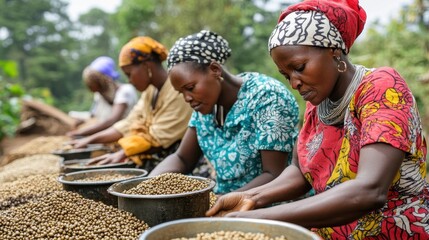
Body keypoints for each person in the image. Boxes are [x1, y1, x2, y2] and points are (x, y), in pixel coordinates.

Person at [206, 0, 429, 239]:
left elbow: (370, 190)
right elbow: (300, 172)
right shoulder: (317, 104)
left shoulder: (381, 88)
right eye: (286, 74)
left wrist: (255, 218)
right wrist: (252, 197)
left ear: (334, 52)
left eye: (299, 67)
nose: (294, 83)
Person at [149, 30, 300, 195]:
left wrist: (222, 201)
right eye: (181, 92)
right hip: (223, 203)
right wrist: (148, 185)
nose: (187, 98)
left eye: (190, 88)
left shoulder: (267, 97)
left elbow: (273, 175)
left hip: (270, 208)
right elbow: (182, 159)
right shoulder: (205, 107)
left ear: (215, 69)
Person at [71, 37, 193, 171]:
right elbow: (128, 123)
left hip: (178, 164)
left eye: (129, 74)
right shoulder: (150, 92)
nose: (129, 81)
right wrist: (89, 140)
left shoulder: (177, 91)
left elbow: (159, 137)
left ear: (147, 66)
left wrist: (122, 153)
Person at [67, 56, 138, 137]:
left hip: (126, 136)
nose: (98, 92)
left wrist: (80, 132)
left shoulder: (125, 91)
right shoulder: (99, 95)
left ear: (107, 81)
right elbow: (93, 115)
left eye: (99, 88)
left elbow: (112, 120)